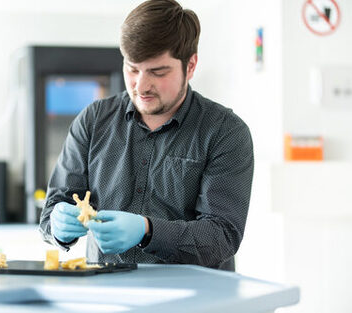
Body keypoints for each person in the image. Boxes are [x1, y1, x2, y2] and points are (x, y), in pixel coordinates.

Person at [39, 0, 254, 271]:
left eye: (157, 72)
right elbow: (52, 212)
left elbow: (221, 236)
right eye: (132, 68)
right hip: (109, 294)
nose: (141, 86)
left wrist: (148, 231)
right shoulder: (93, 121)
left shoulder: (225, 132)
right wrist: (59, 226)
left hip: (196, 300)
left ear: (190, 66)